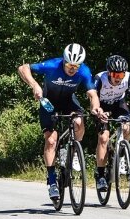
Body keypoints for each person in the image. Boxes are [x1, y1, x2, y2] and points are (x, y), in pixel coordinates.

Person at [18, 43, 101, 199]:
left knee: (78, 123)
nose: (72, 68)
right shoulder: (52, 65)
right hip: (49, 102)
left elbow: (92, 95)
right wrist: (34, 85)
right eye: (69, 64)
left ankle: (74, 150)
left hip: (68, 101)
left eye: (76, 66)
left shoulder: (84, 71)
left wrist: (95, 108)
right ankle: (51, 181)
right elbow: (23, 68)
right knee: (51, 141)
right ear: (64, 60)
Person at [93, 54, 130, 190]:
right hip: (101, 106)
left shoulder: (129, 78)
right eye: (115, 75)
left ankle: (123, 155)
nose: (118, 79)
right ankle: (100, 175)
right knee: (103, 137)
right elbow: (92, 99)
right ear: (109, 73)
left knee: (126, 127)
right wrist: (99, 112)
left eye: (121, 75)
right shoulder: (99, 79)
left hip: (119, 104)